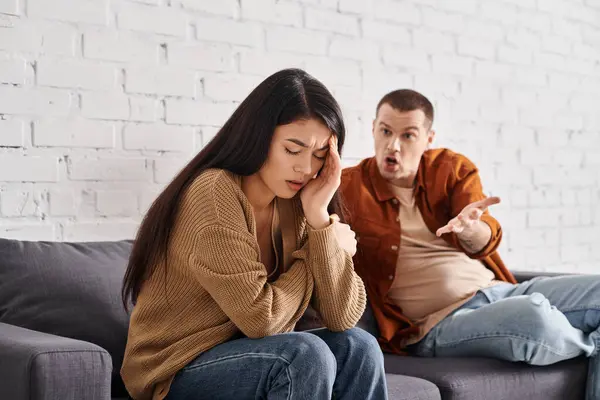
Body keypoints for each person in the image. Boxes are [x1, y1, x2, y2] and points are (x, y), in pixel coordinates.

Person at [120, 68, 387, 400]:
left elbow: (342, 316)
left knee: (358, 346)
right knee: (303, 355)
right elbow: (261, 320)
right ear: (259, 138)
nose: (306, 168)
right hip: (176, 369)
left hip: (252, 355)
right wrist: (327, 246)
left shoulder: (296, 202)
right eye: (293, 149)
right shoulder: (214, 193)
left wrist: (320, 220)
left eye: (319, 155)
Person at [341, 88, 600, 399]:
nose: (393, 145)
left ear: (428, 138)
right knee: (535, 318)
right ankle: (593, 346)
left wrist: (469, 229)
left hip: (500, 290)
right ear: (373, 129)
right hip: (437, 324)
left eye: (408, 135)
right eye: (385, 131)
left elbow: (482, 238)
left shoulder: (450, 168)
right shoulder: (349, 187)